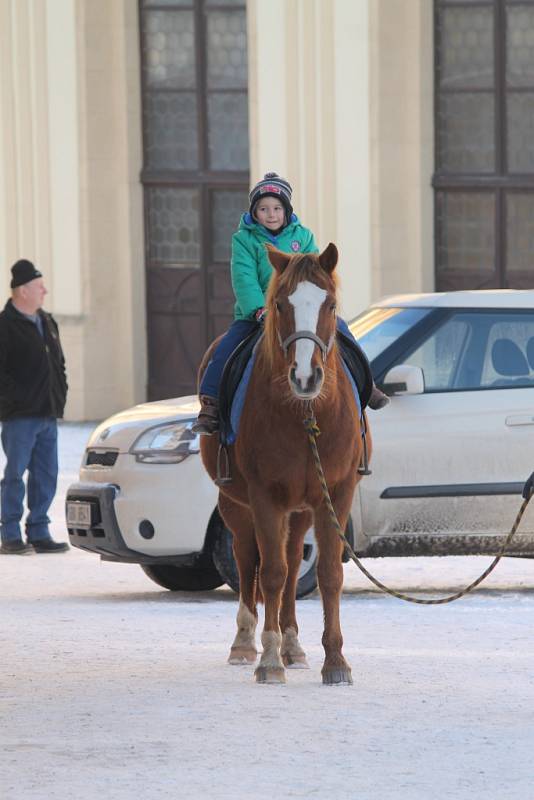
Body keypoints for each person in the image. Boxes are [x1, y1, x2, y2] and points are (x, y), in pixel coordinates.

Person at [193, 172, 388, 435]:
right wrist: (259, 309)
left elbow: (316, 274)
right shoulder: (244, 240)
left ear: (286, 211)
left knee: (345, 334)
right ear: (254, 212)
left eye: (276, 208)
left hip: (301, 315)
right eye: (263, 209)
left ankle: (368, 386)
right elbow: (243, 278)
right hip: (256, 314)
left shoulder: (303, 237)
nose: (270, 214)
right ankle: (211, 403)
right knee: (227, 349)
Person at [0, 259, 69, 554]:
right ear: (23, 290)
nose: (45, 291)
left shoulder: (47, 321)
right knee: (15, 474)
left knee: (46, 473)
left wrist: (60, 394)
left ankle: (39, 531)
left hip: (47, 412)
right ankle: (10, 534)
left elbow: (58, 363)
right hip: (19, 417)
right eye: (40, 287)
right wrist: (13, 401)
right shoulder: (5, 326)